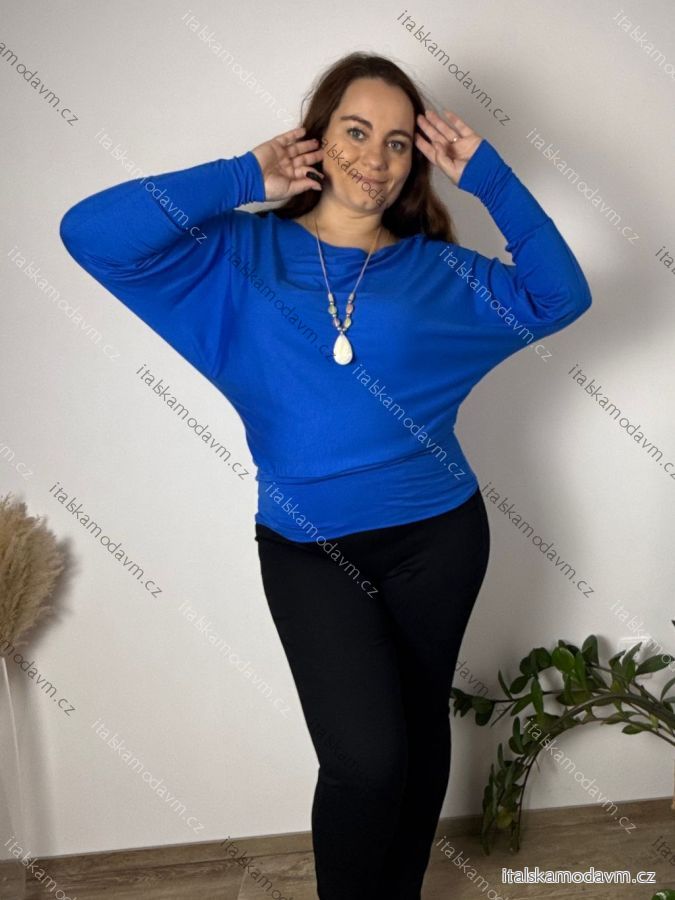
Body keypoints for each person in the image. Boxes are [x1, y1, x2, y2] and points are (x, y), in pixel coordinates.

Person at [59, 51, 592, 900]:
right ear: (315, 136)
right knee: (365, 760)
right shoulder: (238, 253)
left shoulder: (438, 273)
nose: (373, 159)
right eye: (354, 131)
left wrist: (489, 178)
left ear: (415, 161)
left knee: (416, 733)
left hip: (438, 539)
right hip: (308, 551)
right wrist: (243, 174)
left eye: (395, 143)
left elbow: (561, 296)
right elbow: (89, 232)